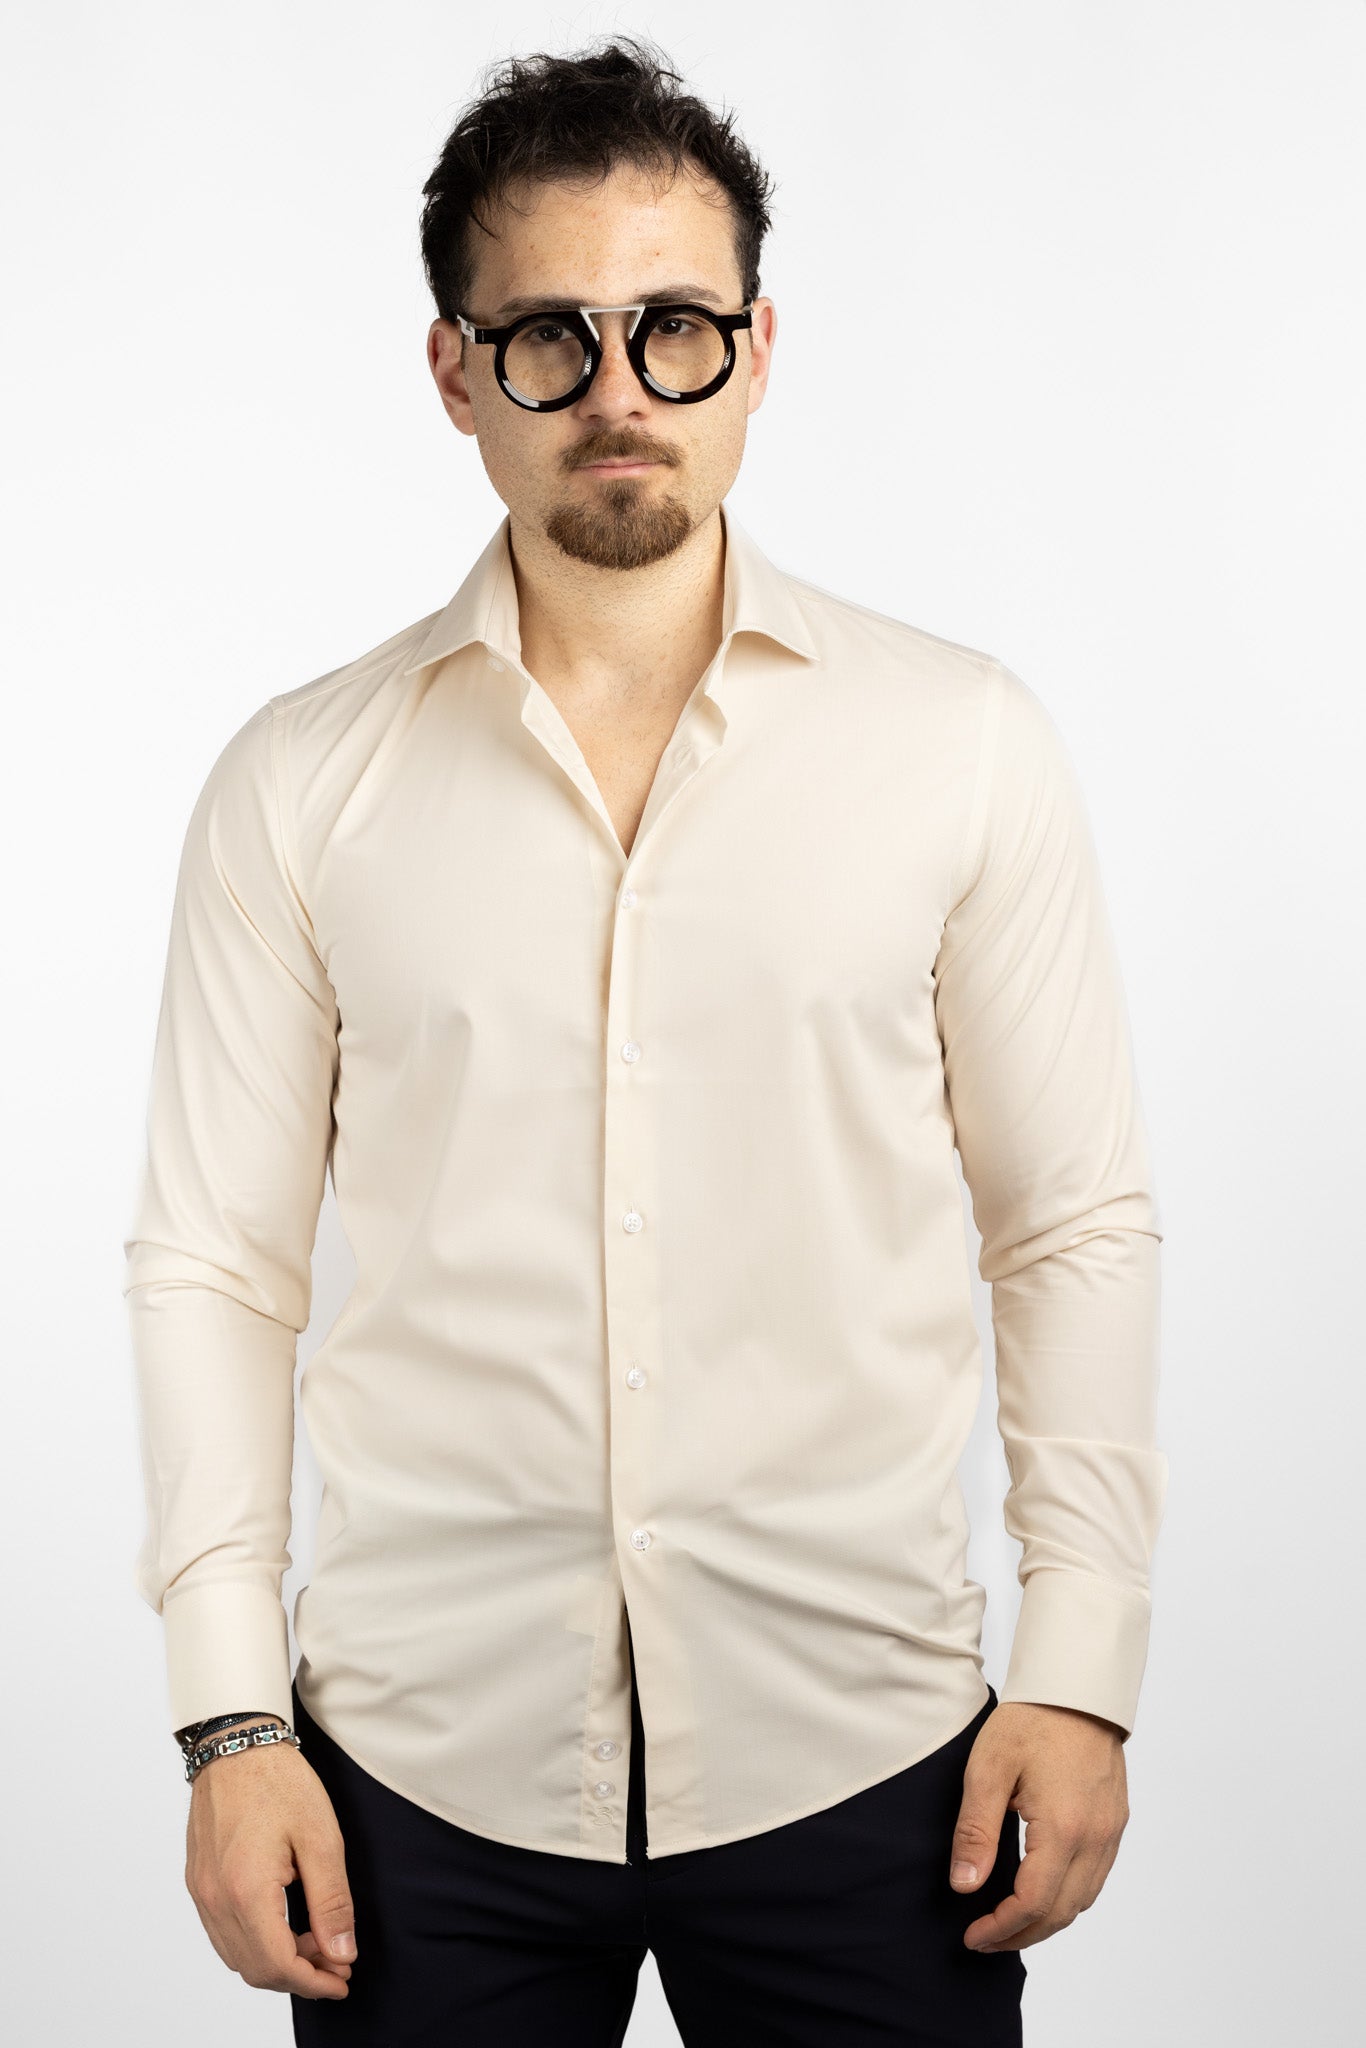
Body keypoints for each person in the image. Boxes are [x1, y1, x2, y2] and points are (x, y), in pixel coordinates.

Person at [122, 33, 1167, 2047]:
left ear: (758, 352)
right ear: (455, 372)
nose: (618, 394)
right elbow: (215, 1267)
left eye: (674, 328)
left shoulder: (958, 745)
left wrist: (1080, 1665)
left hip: (870, 1753)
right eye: (549, 337)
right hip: (415, 1774)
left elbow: (1068, 1226)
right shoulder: (299, 783)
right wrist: (229, 1721)